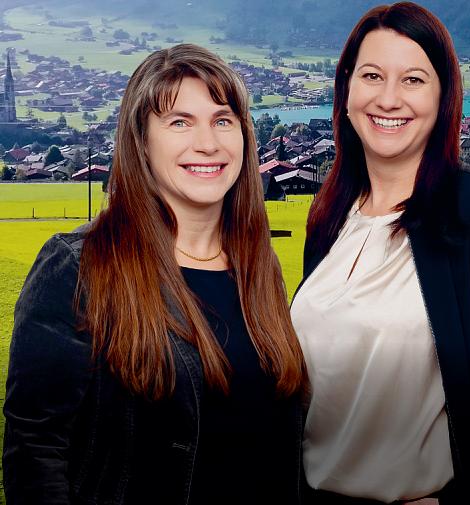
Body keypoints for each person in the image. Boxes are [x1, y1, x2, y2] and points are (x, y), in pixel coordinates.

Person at [3, 44, 306, 505]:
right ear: (141, 141)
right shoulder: (80, 267)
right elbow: (36, 449)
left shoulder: (257, 267)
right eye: (180, 122)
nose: (208, 143)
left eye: (223, 120)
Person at [290, 3, 470, 504]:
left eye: (413, 80)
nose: (388, 98)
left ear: (443, 96)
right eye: (372, 75)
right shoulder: (329, 215)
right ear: (346, 89)